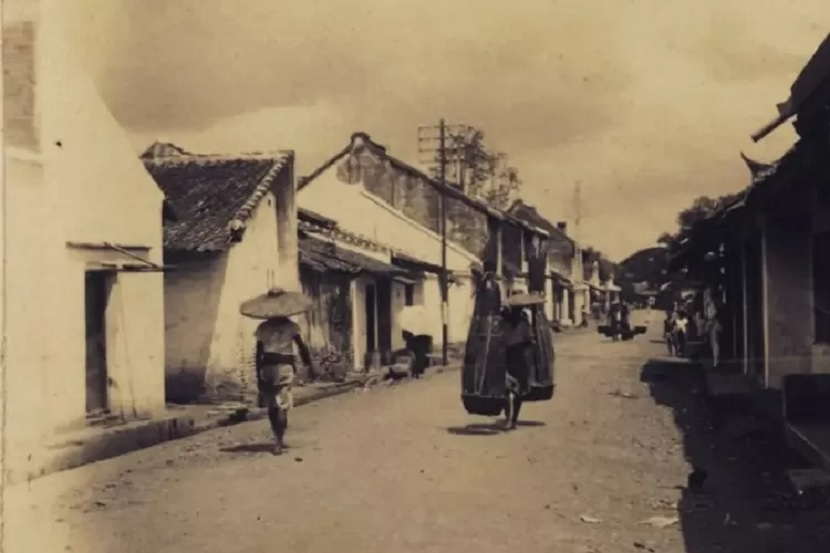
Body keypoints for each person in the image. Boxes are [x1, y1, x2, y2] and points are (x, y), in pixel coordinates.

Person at [254, 316, 316, 455]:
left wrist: (258, 373)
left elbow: (258, 352)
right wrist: (309, 365)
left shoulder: (263, 328)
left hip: (267, 366)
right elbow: (301, 346)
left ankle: (276, 435)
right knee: (283, 403)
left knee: (271, 404)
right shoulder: (291, 327)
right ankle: (278, 441)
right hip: (284, 366)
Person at [501, 305, 533, 430]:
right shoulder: (522, 323)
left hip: (513, 357)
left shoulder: (507, 322)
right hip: (514, 357)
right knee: (512, 390)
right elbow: (529, 340)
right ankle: (511, 419)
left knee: (511, 390)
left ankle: (511, 418)